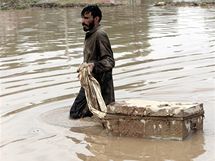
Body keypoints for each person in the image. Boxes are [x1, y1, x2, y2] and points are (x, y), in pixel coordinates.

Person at [70, 4, 115, 119]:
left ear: (96, 19)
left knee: (75, 114)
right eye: (82, 18)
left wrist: (93, 66)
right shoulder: (91, 34)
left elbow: (109, 61)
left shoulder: (100, 34)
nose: (82, 21)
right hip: (90, 82)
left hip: (99, 84)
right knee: (86, 114)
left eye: (86, 18)